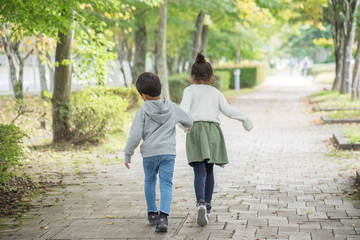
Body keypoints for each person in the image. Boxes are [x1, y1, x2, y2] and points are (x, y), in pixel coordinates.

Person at [179, 52, 253, 227]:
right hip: (213, 131)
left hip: (195, 129)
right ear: (212, 78)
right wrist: (245, 119)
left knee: (198, 170)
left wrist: (184, 126)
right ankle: (209, 206)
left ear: (192, 77)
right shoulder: (216, 92)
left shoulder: (189, 90)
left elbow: (182, 110)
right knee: (209, 170)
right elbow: (228, 111)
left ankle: (200, 204)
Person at [124, 72, 193, 232]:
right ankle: (163, 217)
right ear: (159, 89)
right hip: (168, 153)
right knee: (166, 184)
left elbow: (135, 136)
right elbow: (189, 121)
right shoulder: (173, 108)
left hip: (149, 154)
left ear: (143, 95)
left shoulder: (142, 112)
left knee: (149, 180)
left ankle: (152, 214)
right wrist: (185, 126)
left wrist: (128, 153)